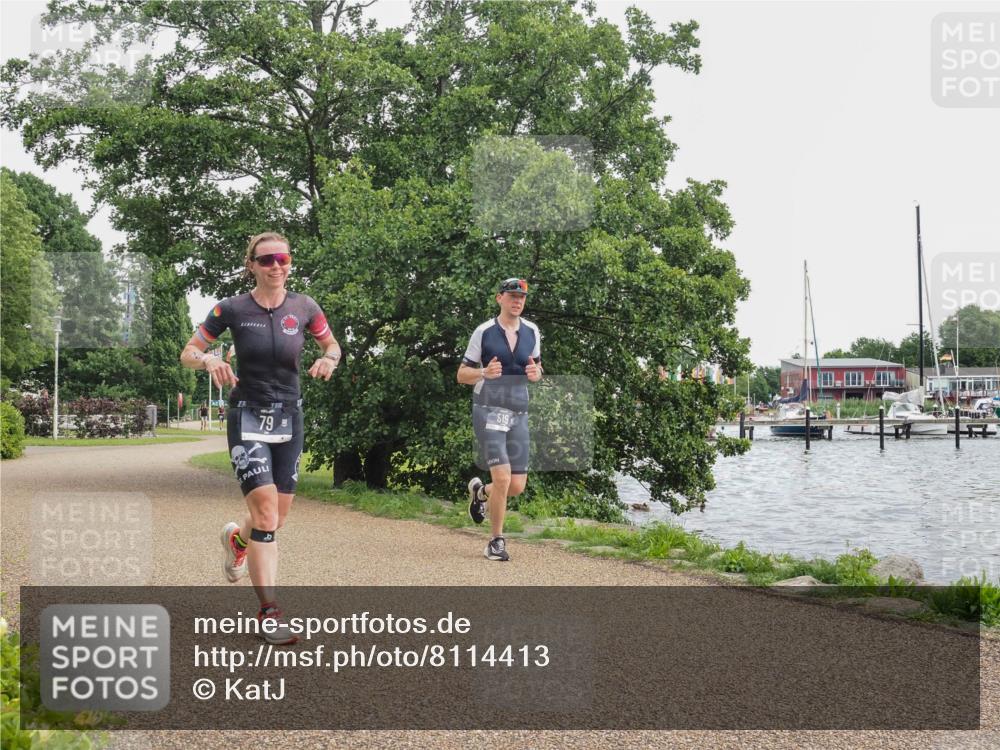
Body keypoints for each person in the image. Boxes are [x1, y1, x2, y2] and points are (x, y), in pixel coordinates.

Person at [180, 232, 341, 644]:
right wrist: (209, 358)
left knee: (276, 517)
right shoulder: (231, 308)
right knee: (267, 515)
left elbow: (333, 346)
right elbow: (189, 351)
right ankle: (270, 612)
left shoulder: (305, 307)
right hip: (247, 413)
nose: (276, 266)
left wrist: (327, 359)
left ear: (290, 263)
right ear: (251, 264)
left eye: (282, 258)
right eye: (266, 260)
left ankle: (238, 540)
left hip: (289, 416)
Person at [457, 278, 542, 561]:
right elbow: (461, 375)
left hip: (519, 412)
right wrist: (483, 373)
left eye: (522, 297)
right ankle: (496, 542)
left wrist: (536, 375)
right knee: (503, 478)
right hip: (489, 411)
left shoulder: (532, 331)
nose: (517, 301)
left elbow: (537, 368)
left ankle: (481, 493)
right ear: (499, 299)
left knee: (516, 485)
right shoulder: (483, 332)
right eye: (512, 296)